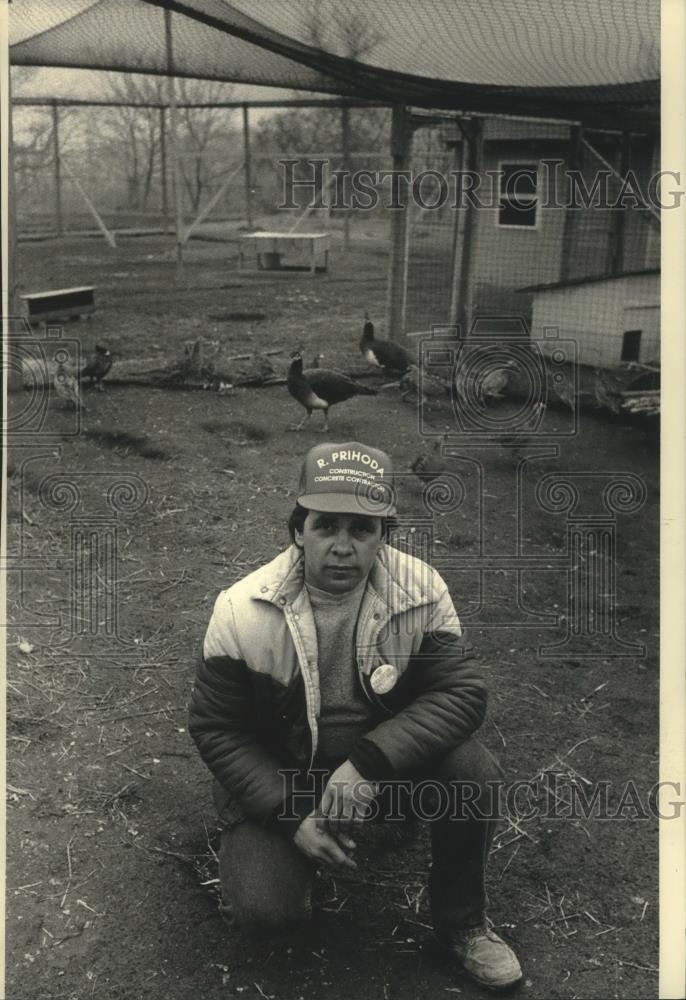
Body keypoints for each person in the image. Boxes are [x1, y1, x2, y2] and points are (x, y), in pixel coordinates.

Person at [189, 441, 522, 991]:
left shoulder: (423, 590)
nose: (343, 547)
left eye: (361, 529)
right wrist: (292, 814)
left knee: (472, 773)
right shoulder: (241, 609)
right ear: (299, 530)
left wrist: (367, 767)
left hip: (374, 771)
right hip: (284, 775)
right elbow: (217, 729)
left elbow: (461, 694)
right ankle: (295, 849)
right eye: (326, 526)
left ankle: (463, 924)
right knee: (268, 917)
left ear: (382, 535)